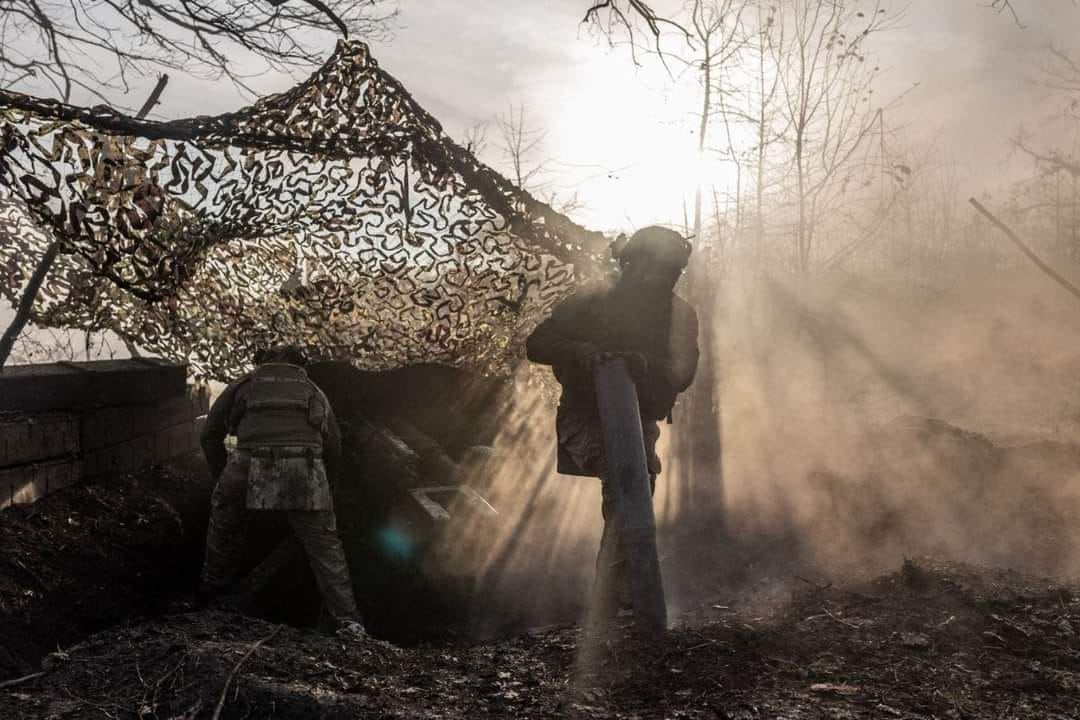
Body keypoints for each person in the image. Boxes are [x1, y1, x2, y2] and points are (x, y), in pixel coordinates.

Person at [525, 225, 699, 618]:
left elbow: (683, 372)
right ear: (633, 263)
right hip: (585, 417)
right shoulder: (594, 301)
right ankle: (614, 596)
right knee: (625, 480)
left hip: (639, 421)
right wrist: (579, 351)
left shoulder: (680, 315)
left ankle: (621, 593)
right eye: (658, 268)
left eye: (674, 271)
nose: (665, 278)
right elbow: (537, 343)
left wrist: (644, 364)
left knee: (638, 486)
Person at [199, 344, 366, 638]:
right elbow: (334, 444)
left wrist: (221, 477)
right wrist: (330, 487)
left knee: (225, 525)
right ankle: (348, 621)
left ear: (261, 361)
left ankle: (212, 595)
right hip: (303, 467)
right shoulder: (312, 389)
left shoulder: (245, 384)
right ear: (299, 363)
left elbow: (209, 433)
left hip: (247, 462)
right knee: (325, 548)